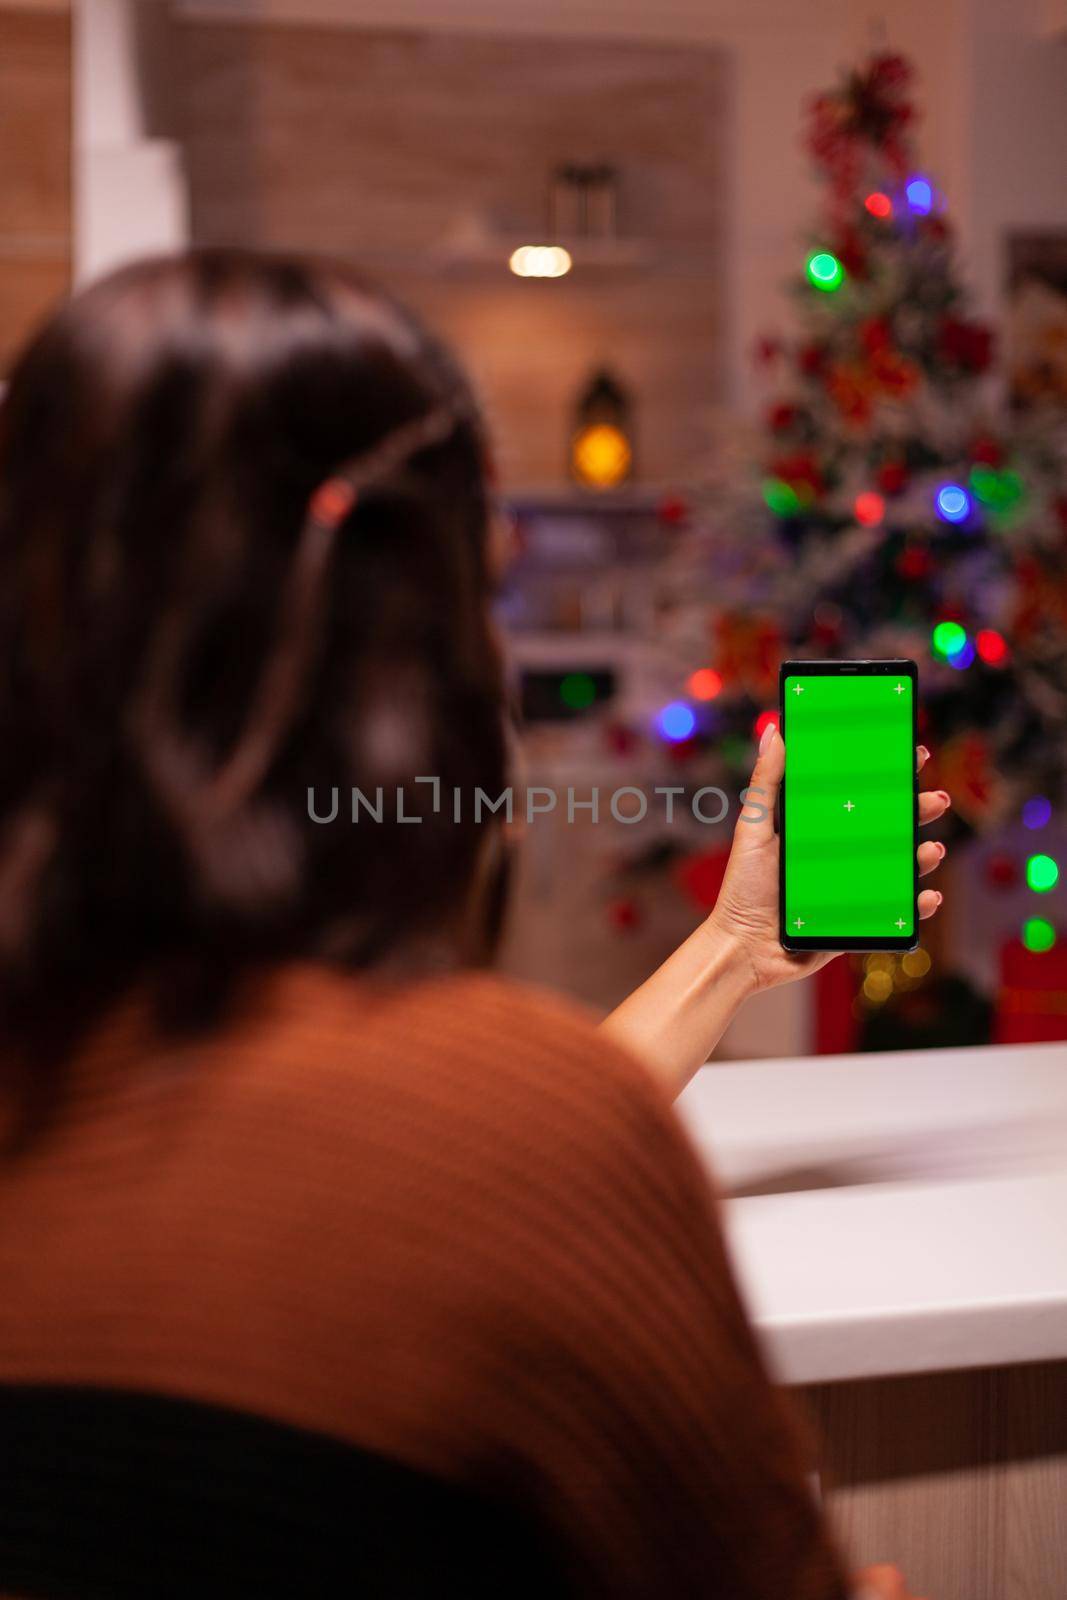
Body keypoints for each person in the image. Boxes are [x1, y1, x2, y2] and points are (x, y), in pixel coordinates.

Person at [0, 251, 945, 1597]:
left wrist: (736, 946)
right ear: (416, 658)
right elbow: (482, 1166)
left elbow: (403, 1175)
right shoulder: (520, 1138)